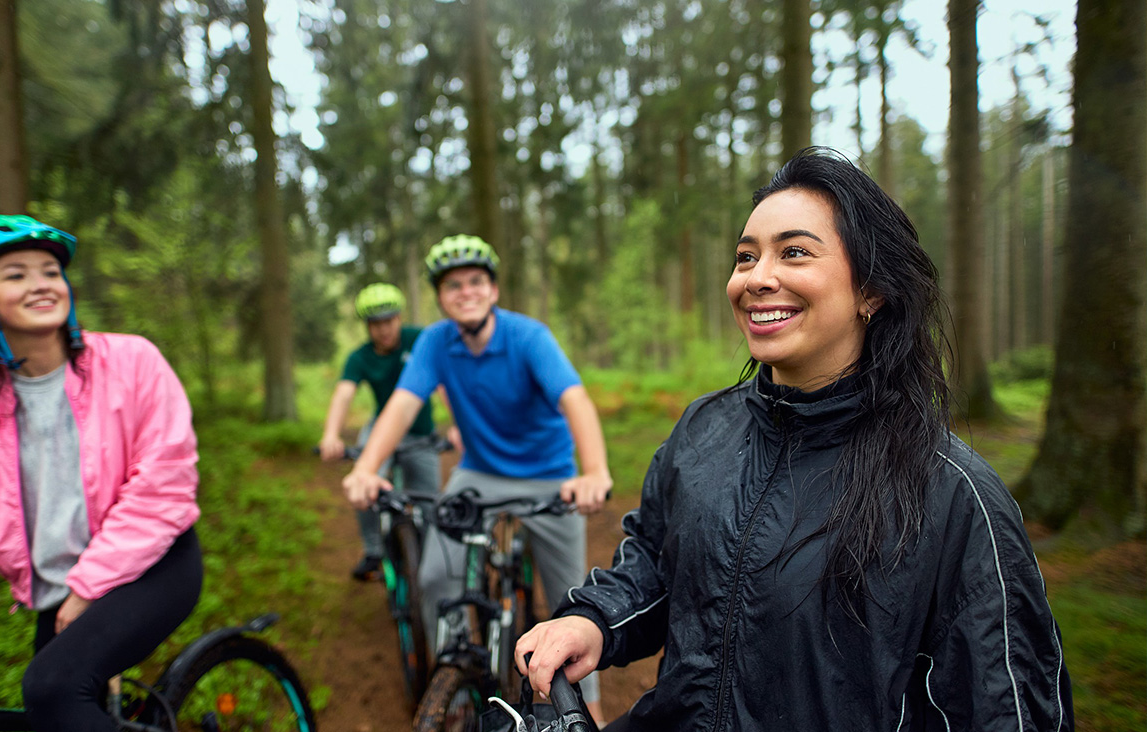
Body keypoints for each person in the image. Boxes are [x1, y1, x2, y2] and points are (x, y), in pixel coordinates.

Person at [515, 148, 1074, 731]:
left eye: (795, 252)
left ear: (872, 292)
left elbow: (1005, 706)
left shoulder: (955, 497)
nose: (757, 279)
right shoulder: (702, 432)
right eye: (745, 257)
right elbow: (657, 565)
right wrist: (596, 622)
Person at [0, 215, 203, 732]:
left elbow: (163, 486)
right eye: (16, 274)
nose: (40, 284)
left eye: (50, 271)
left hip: (154, 568)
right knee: (48, 714)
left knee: (52, 690)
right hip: (61, 592)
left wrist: (90, 588)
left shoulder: (132, 362)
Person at [342, 234, 613, 720]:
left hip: (548, 476)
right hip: (479, 472)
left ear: (493, 290)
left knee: (570, 604)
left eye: (475, 281)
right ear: (441, 297)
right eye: (452, 286)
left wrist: (593, 471)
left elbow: (575, 400)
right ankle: (458, 672)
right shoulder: (435, 342)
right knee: (434, 574)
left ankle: (589, 712)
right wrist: (366, 466)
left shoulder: (528, 336)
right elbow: (402, 406)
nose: (465, 292)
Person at [318, 281, 451, 581]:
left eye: (389, 320)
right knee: (362, 483)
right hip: (380, 430)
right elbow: (343, 395)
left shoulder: (418, 339)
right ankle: (374, 550)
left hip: (421, 432)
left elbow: (444, 383)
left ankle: (433, 554)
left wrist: (458, 425)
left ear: (399, 318)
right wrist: (331, 434)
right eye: (376, 323)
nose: (384, 329)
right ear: (367, 326)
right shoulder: (360, 357)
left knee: (431, 500)